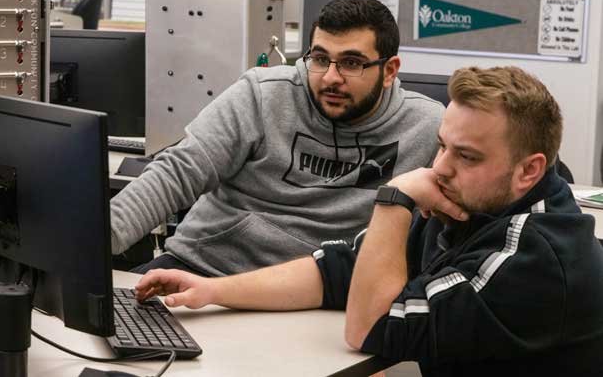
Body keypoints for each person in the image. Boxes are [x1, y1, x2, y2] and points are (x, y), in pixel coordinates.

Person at [135, 66, 603, 376]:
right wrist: (213, 290)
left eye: (466, 155)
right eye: (442, 145)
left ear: (529, 170)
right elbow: (341, 269)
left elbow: (370, 326)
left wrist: (392, 200)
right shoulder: (470, 201)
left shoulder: (534, 253)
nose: (440, 166)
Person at [110, 0, 444, 276]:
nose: (330, 77)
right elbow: (177, 172)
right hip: (202, 267)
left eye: (352, 63)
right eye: (320, 58)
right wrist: (96, 243)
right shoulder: (263, 95)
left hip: (315, 293)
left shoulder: (428, 128)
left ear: (389, 71)